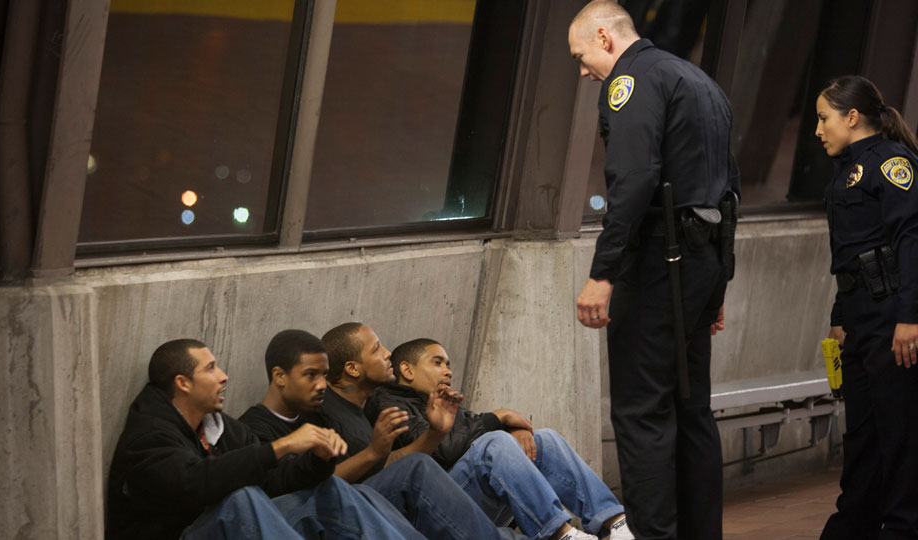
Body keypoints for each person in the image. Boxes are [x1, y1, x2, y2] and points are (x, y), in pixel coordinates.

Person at [567, 2, 740, 539]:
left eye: (581, 55)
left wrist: (603, 272)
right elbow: (729, 190)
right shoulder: (700, 80)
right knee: (692, 412)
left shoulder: (632, 80)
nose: (582, 70)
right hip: (703, 261)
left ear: (604, 36)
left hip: (661, 264)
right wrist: (716, 286)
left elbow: (634, 181)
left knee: (642, 415)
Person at [106, 338, 426, 540]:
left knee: (333, 489)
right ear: (183, 383)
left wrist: (317, 459)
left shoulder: (219, 427)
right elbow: (193, 481)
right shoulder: (148, 436)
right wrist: (280, 447)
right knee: (242, 499)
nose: (223, 376)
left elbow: (274, 478)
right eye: (211, 369)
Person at [239, 329, 527, 540]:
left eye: (324, 375)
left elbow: (387, 466)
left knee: (414, 468)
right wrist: (371, 453)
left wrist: (436, 433)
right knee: (492, 446)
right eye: (311, 375)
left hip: (359, 505)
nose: (321, 385)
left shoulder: (346, 412)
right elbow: (296, 494)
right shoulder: (255, 428)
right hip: (302, 519)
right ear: (280, 376)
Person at [367, 336, 633, 540]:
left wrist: (512, 431)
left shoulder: (445, 401)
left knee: (544, 440)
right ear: (408, 370)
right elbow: (443, 452)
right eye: (437, 363)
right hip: (435, 508)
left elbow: (473, 432)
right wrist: (499, 417)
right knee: (493, 445)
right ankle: (558, 533)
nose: (447, 371)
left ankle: (616, 522)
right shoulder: (388, 401)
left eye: (448, 364)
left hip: (472, 496)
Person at [814, 75, 918, 540]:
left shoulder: (894, 164)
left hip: (894, 316)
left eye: (823, 118)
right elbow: (851, 252)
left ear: (852, 117)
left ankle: (902, 527)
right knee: (862, 433)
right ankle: (854, 525)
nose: (818, 130)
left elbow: (911, 243)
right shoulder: (844, 169)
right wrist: (840, 317)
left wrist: (910, 317)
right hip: (859, 319)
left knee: (899, 433)